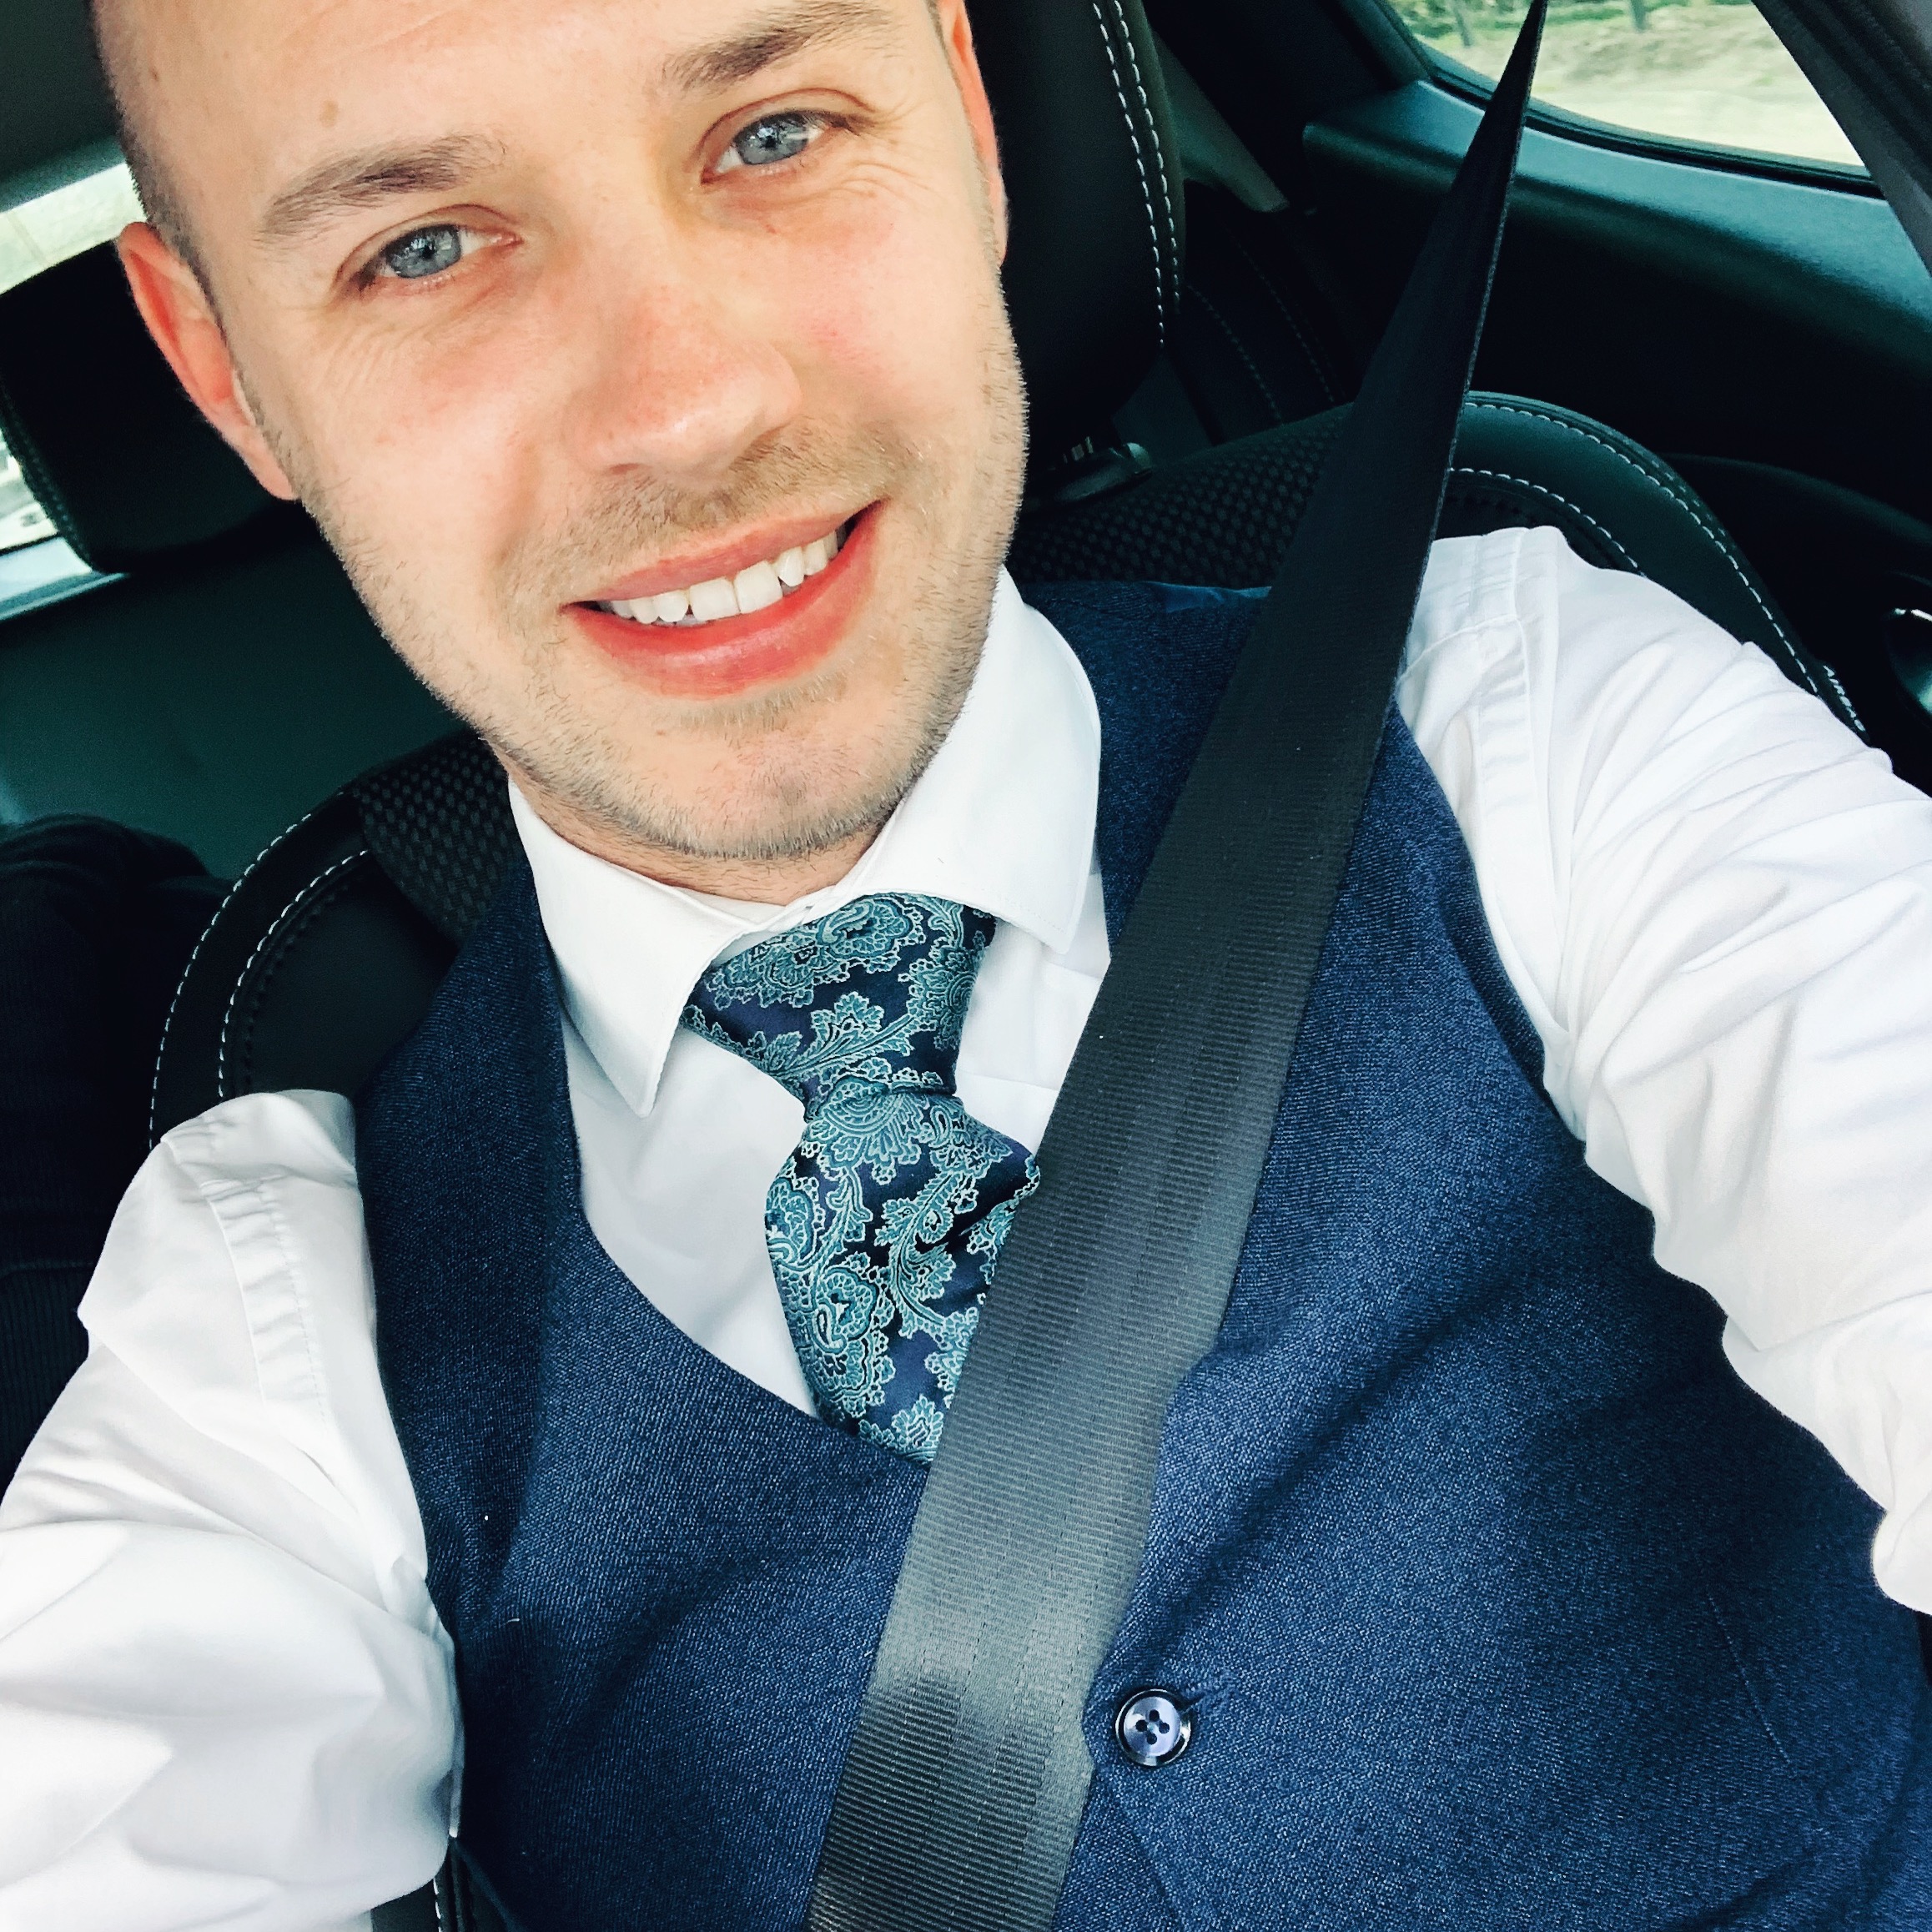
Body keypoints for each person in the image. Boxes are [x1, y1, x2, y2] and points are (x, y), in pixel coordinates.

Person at [2, 0, 1929, 1925]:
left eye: (775, 135)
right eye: (420, 246)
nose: (683, 409)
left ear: (976, 137)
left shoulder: (1527, 716)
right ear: (222, 366)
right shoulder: (273, 1310)